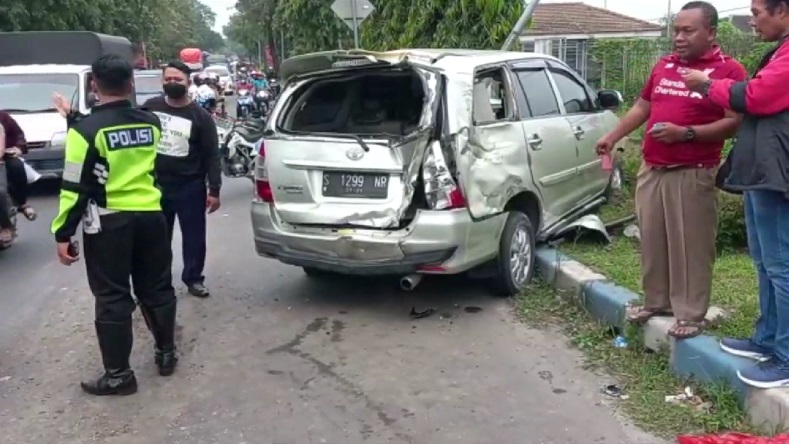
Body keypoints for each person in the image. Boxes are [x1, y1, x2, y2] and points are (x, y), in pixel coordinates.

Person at [595, 1, 747, 339]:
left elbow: (734, 123)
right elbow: (643, 105)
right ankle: (656, 301)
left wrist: (686, 134)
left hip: (693, 170)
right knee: (653, 239)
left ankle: (691, 314)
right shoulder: (665, 65)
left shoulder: (729, 71)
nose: (679, 37)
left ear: (711, 32)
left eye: (688, 30)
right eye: (676, 30)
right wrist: (613, 135)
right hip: (653, 168)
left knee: (691, 245)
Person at [51, 54, 178, 395]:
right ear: (131, 83)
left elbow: (74, 186)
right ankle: (167, 353)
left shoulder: (85, 131)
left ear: (93, 86)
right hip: (152, 217)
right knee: (157, 287)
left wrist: (63, 232)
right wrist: (75, 120)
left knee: (112, 296)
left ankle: (119, 376)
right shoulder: (151, 123)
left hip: (110, 224)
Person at [683, 0, 789, 388]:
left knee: (782, 266)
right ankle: (767, 339)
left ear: (782, 11)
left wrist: (708, 84)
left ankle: (785, 356)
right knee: (765, 261)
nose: (751, 20)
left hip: (778, 175)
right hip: (763, 172)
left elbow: (757, 96)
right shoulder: (779, 49)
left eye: (758, 12)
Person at [142, 61, 221, 298]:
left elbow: (211, 155)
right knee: (157, 239)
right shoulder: (150, 108)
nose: (172, 83)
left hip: (190, 187)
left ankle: (194, 278)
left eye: (177, 79)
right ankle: (158, 281)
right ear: (162, 82)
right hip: (155, 186)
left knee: (194, 237)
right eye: (168, 79)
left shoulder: (201, 117)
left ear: (188, 81)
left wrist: (214, 190)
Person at [0, 111, 36, 221]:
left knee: (16, 167)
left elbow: (18, 135)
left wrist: (19, 148)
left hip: (5, 155)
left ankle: (22, 203)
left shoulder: (3, 117)